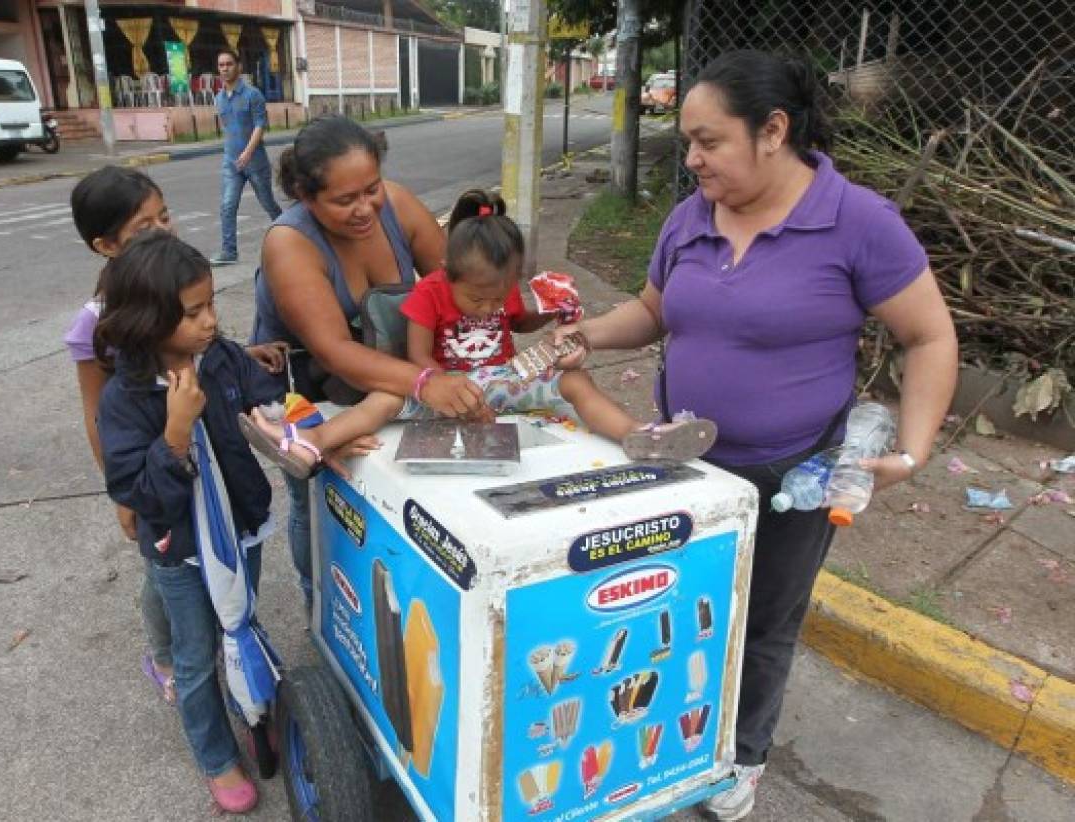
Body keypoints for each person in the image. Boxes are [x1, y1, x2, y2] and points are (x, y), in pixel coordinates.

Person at [552, 50, 958, 821]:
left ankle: (742, 754)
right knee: (671, 608)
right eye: (688, 143)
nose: (693, 159)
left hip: (790, 475)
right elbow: (654, 311)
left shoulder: (858, 221)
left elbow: (930, 336)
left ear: (773, 130)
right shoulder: (690, 217)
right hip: (682, 462)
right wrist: (589, 338)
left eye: (709, 142)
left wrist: (914, 448)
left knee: (765, 620)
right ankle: (668, 734)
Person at [238, 189, 717, 476]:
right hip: (442, 388)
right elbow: (419, 359)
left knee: (574, 380)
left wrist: (550, 316)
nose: (490, 307)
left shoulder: (497, 288)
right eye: (478, 300)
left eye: (498, 296)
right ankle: (308, 444)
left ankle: (639, 436)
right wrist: (453, 394)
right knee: (382, 401)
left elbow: (517, 322)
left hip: (503, 379)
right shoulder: (429, 292)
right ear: (447, 274)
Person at [67, 166, 288, 706]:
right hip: (154, 474)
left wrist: (239, 362)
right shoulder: (99, 322)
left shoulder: (182, 288)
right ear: (106, 245)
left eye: (164, 215)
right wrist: (120, 495)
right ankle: (166, 654)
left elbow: (204, 347)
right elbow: (99, 413)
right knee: (165, 573)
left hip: (209, 471)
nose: (164, 229)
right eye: (144, 227)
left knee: (209, 575)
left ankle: (222, 659)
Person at [253, 115, 485, 600]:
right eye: (344, 200)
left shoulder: (396, 206)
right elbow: (335, 352)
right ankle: (319, 597)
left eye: (371, 189)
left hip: (388, 380)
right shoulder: (289, 244)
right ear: (305, 195)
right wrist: (426, 381)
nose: (365, 209)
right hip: (309, 391)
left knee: (386, 499)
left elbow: (456, 285)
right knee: (314, 497)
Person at [94, 231, 286, 814]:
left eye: (211, 306)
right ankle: (215, 755)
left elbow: (263, 399)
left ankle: (253, 700)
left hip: (240, 526)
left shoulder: (221, 357)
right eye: (193, 312)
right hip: (177, 547)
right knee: (196, 653)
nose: (210, 321)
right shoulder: (125, 399)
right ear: (148, 322)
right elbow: (136, 492)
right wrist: (176, 430)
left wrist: (279, 403)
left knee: (241, 620)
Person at [212, 48, 282, 266]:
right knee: (227, 206)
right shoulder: (219, 98)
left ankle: (292, 233)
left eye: (229, 64)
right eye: (221, 65)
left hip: (255, 162)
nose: (225, 69)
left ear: (239, 66)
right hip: (231, 163)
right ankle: (229, 251)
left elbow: (261, 125)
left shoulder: (253, 95)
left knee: (268, 203)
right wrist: (234, 153)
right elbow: (228, 127)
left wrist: (248, 151)